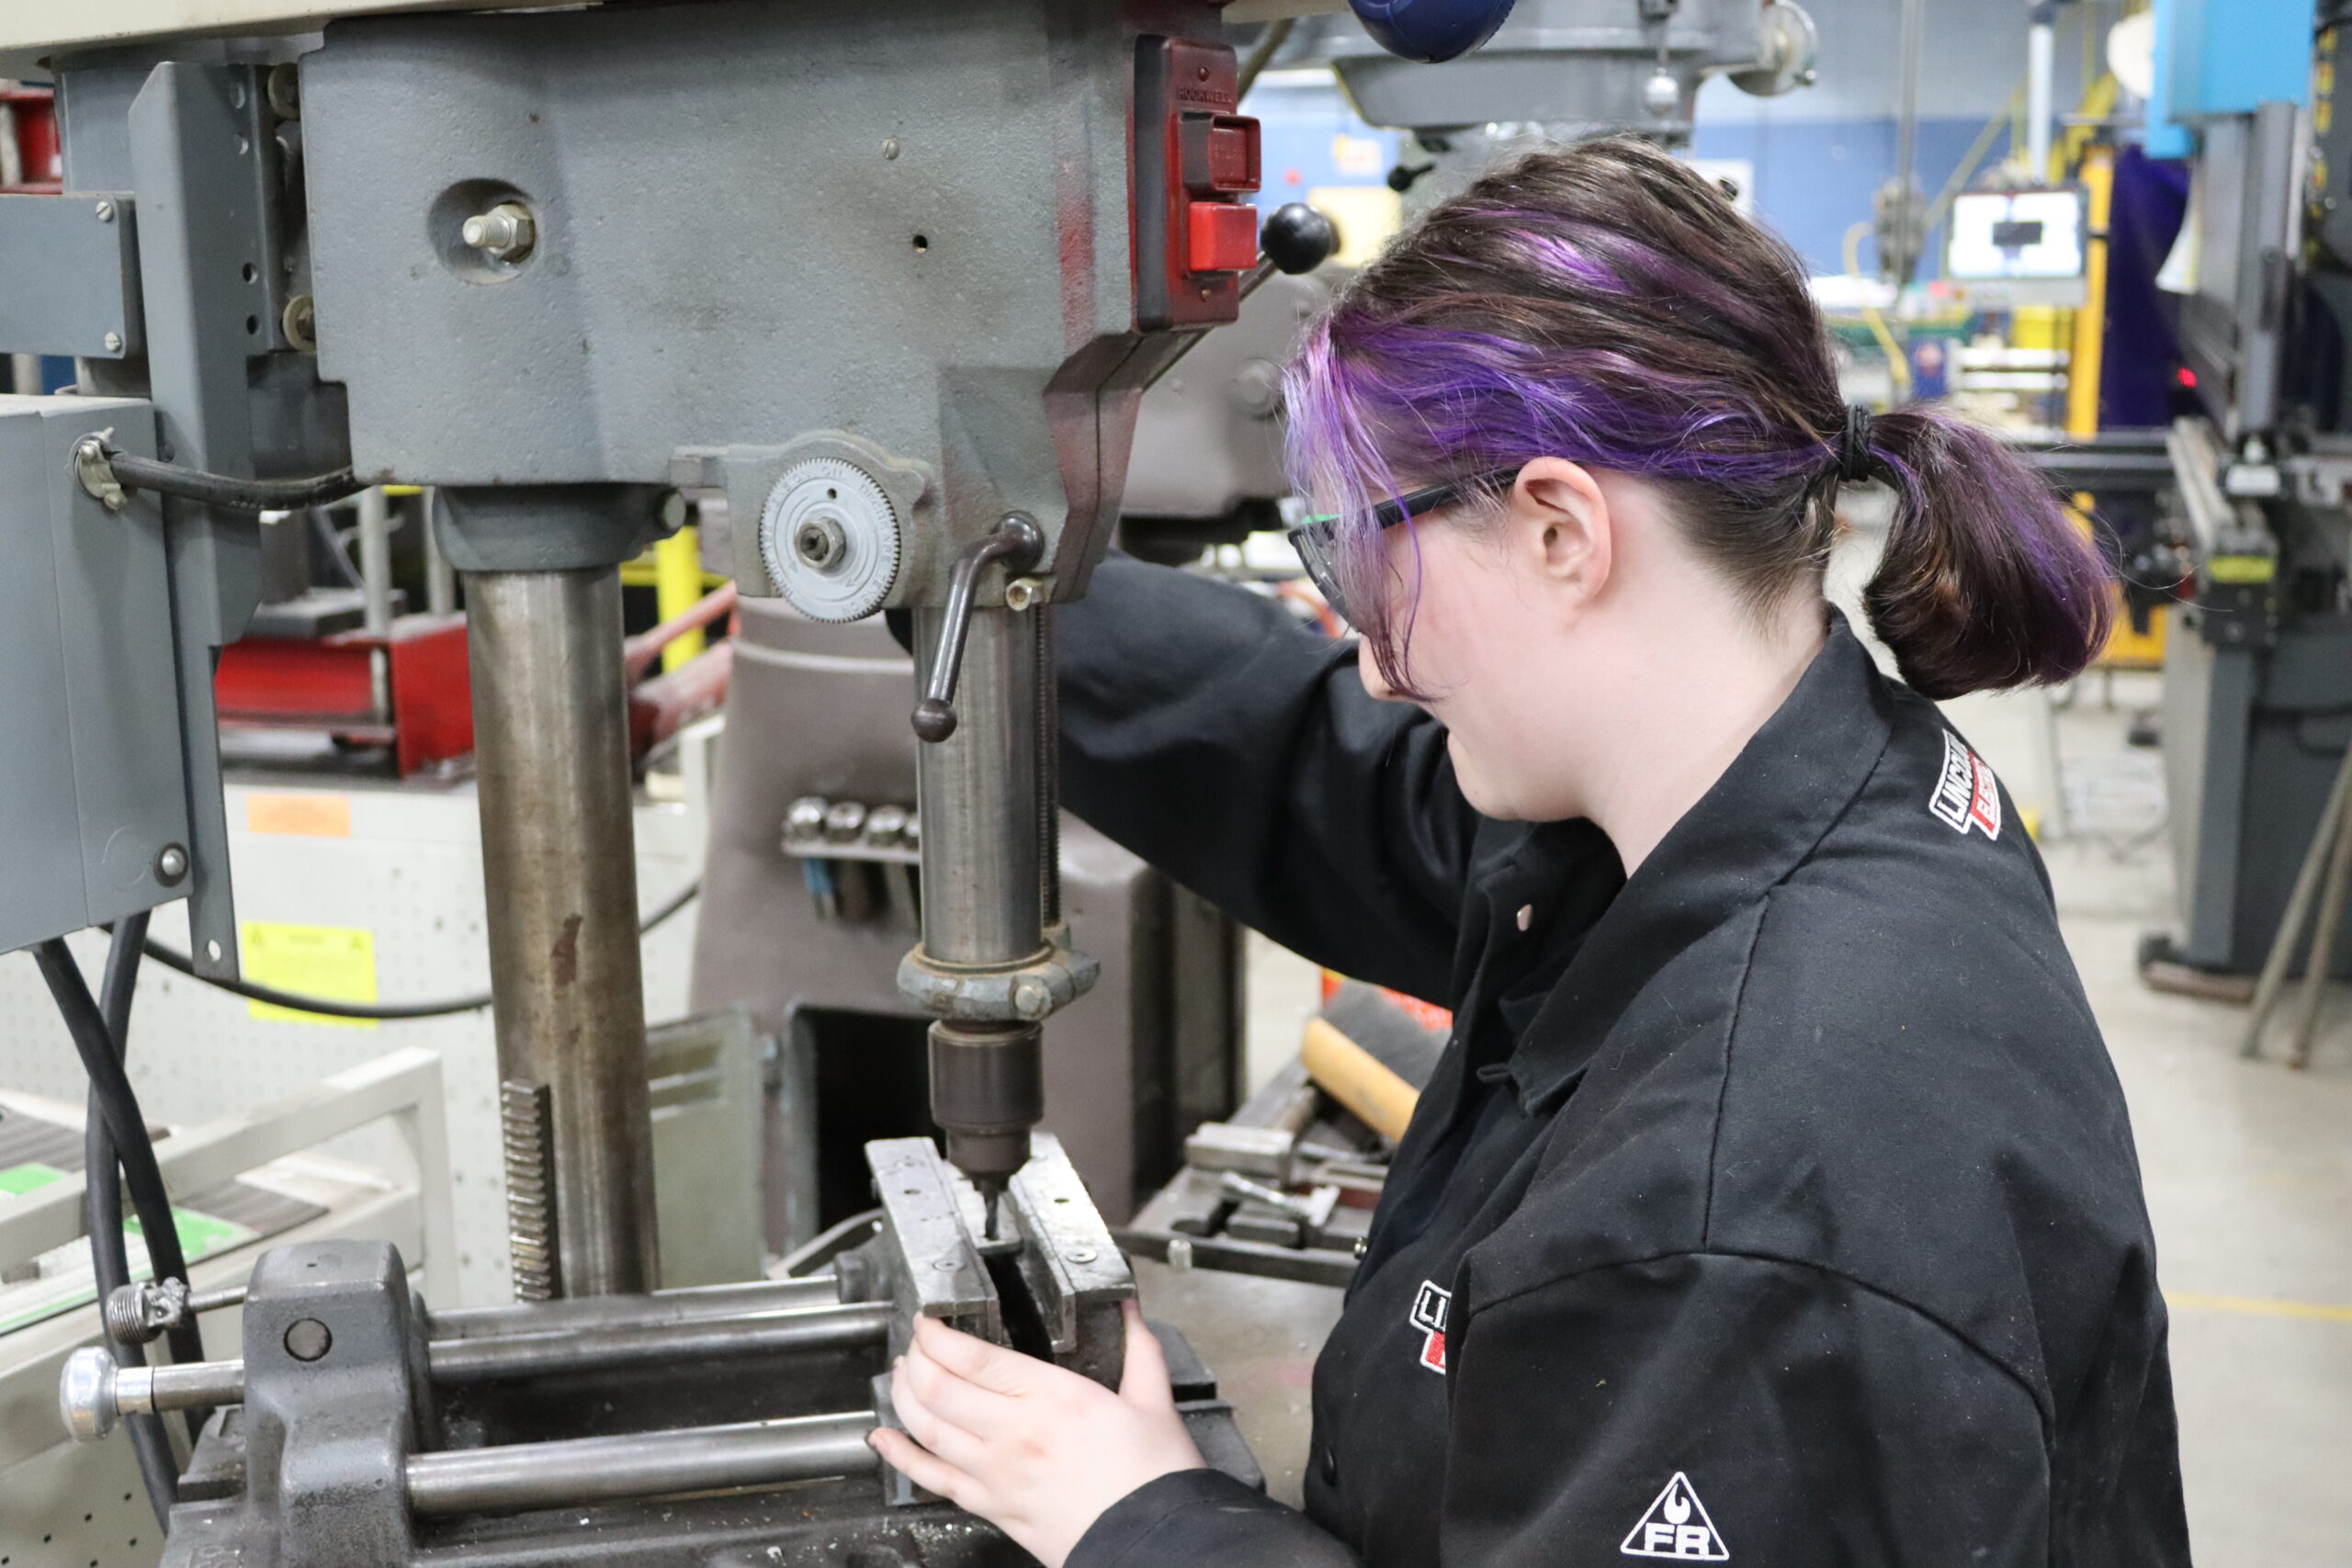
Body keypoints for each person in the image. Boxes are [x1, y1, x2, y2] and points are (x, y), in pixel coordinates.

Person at [866, 137, 2191, 1568]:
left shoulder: (1741, 1204)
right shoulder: (1791, 777)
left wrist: (1141, 1519)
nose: (1376, 663)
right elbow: (1331, 772)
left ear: (1562, 529)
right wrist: (955, 558)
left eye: (1371, 564)